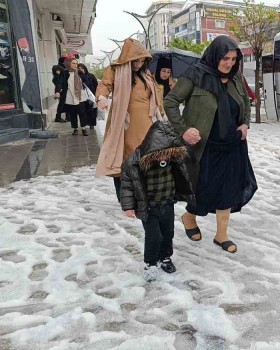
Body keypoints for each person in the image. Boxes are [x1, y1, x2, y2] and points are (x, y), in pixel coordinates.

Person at [165, 35, 257, 253]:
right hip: (205, 146)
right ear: (215, 55)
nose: (229, 63)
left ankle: (221, 235)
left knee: (229, 189)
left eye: (234, 59)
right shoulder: (195, 75)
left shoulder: (236, 77)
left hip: (233, 144)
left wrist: (245, 123)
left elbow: (245, 101)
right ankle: (189, 217)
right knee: (203, 189)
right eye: (225, 58)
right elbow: (170, 102)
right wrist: (184, 129)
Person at [120, 120, 195, 281]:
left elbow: (185, 174)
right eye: (159, 152)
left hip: (167, 204)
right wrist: (128, 206)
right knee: (154, 236)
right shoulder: (135, 162)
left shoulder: (174, 159)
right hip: (149, 207)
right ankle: (150, 263)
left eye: (167, 152)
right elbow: (126, 185)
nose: (163, 157)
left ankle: (165, 257)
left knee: (168, 234)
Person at [95, 38, 166, 202]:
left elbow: (156, 96)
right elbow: (105, 85)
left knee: (146, 157)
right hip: (125, 122)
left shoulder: (147, 74)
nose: (139, 64)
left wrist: (162, 115)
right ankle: (125, 197)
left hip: (148, 122)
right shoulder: (115, 70)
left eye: (142, 61)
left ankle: (143, 194)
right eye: (136, 60)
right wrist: (101, 98)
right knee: (124, 158)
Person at [54, 58, 90, 136]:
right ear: (68, 64)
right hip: (69, 96)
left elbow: (87, 81)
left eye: (76, 63)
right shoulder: (64, 73)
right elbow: (59, 83)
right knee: (72, 114)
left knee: (82, 113)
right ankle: (75, 129)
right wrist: (57, 91)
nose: (75, 65)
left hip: (80, 96)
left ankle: (83, 128)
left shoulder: (80, 73)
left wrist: (83, 86)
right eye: (73, 63)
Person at [78, 63, 98, 130]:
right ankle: (85, 123)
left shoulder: (91, 76)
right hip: (82, 96)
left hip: (91, 95)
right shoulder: (78, 77)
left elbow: (96, 85)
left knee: (92, 110)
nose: (81, 70)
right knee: (84, 110)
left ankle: (92, 124)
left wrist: (96, 94)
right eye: (79, 68)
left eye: (82, 68)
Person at [52, 57, 69, 123]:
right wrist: (58, 90)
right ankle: (58, 117)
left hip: (65, 88)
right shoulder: (58, 68)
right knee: (62, 103)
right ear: (63, 62)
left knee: (67, 102)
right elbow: (58, 80)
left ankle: (68, 117)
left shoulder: (65, 69)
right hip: (62, 89)